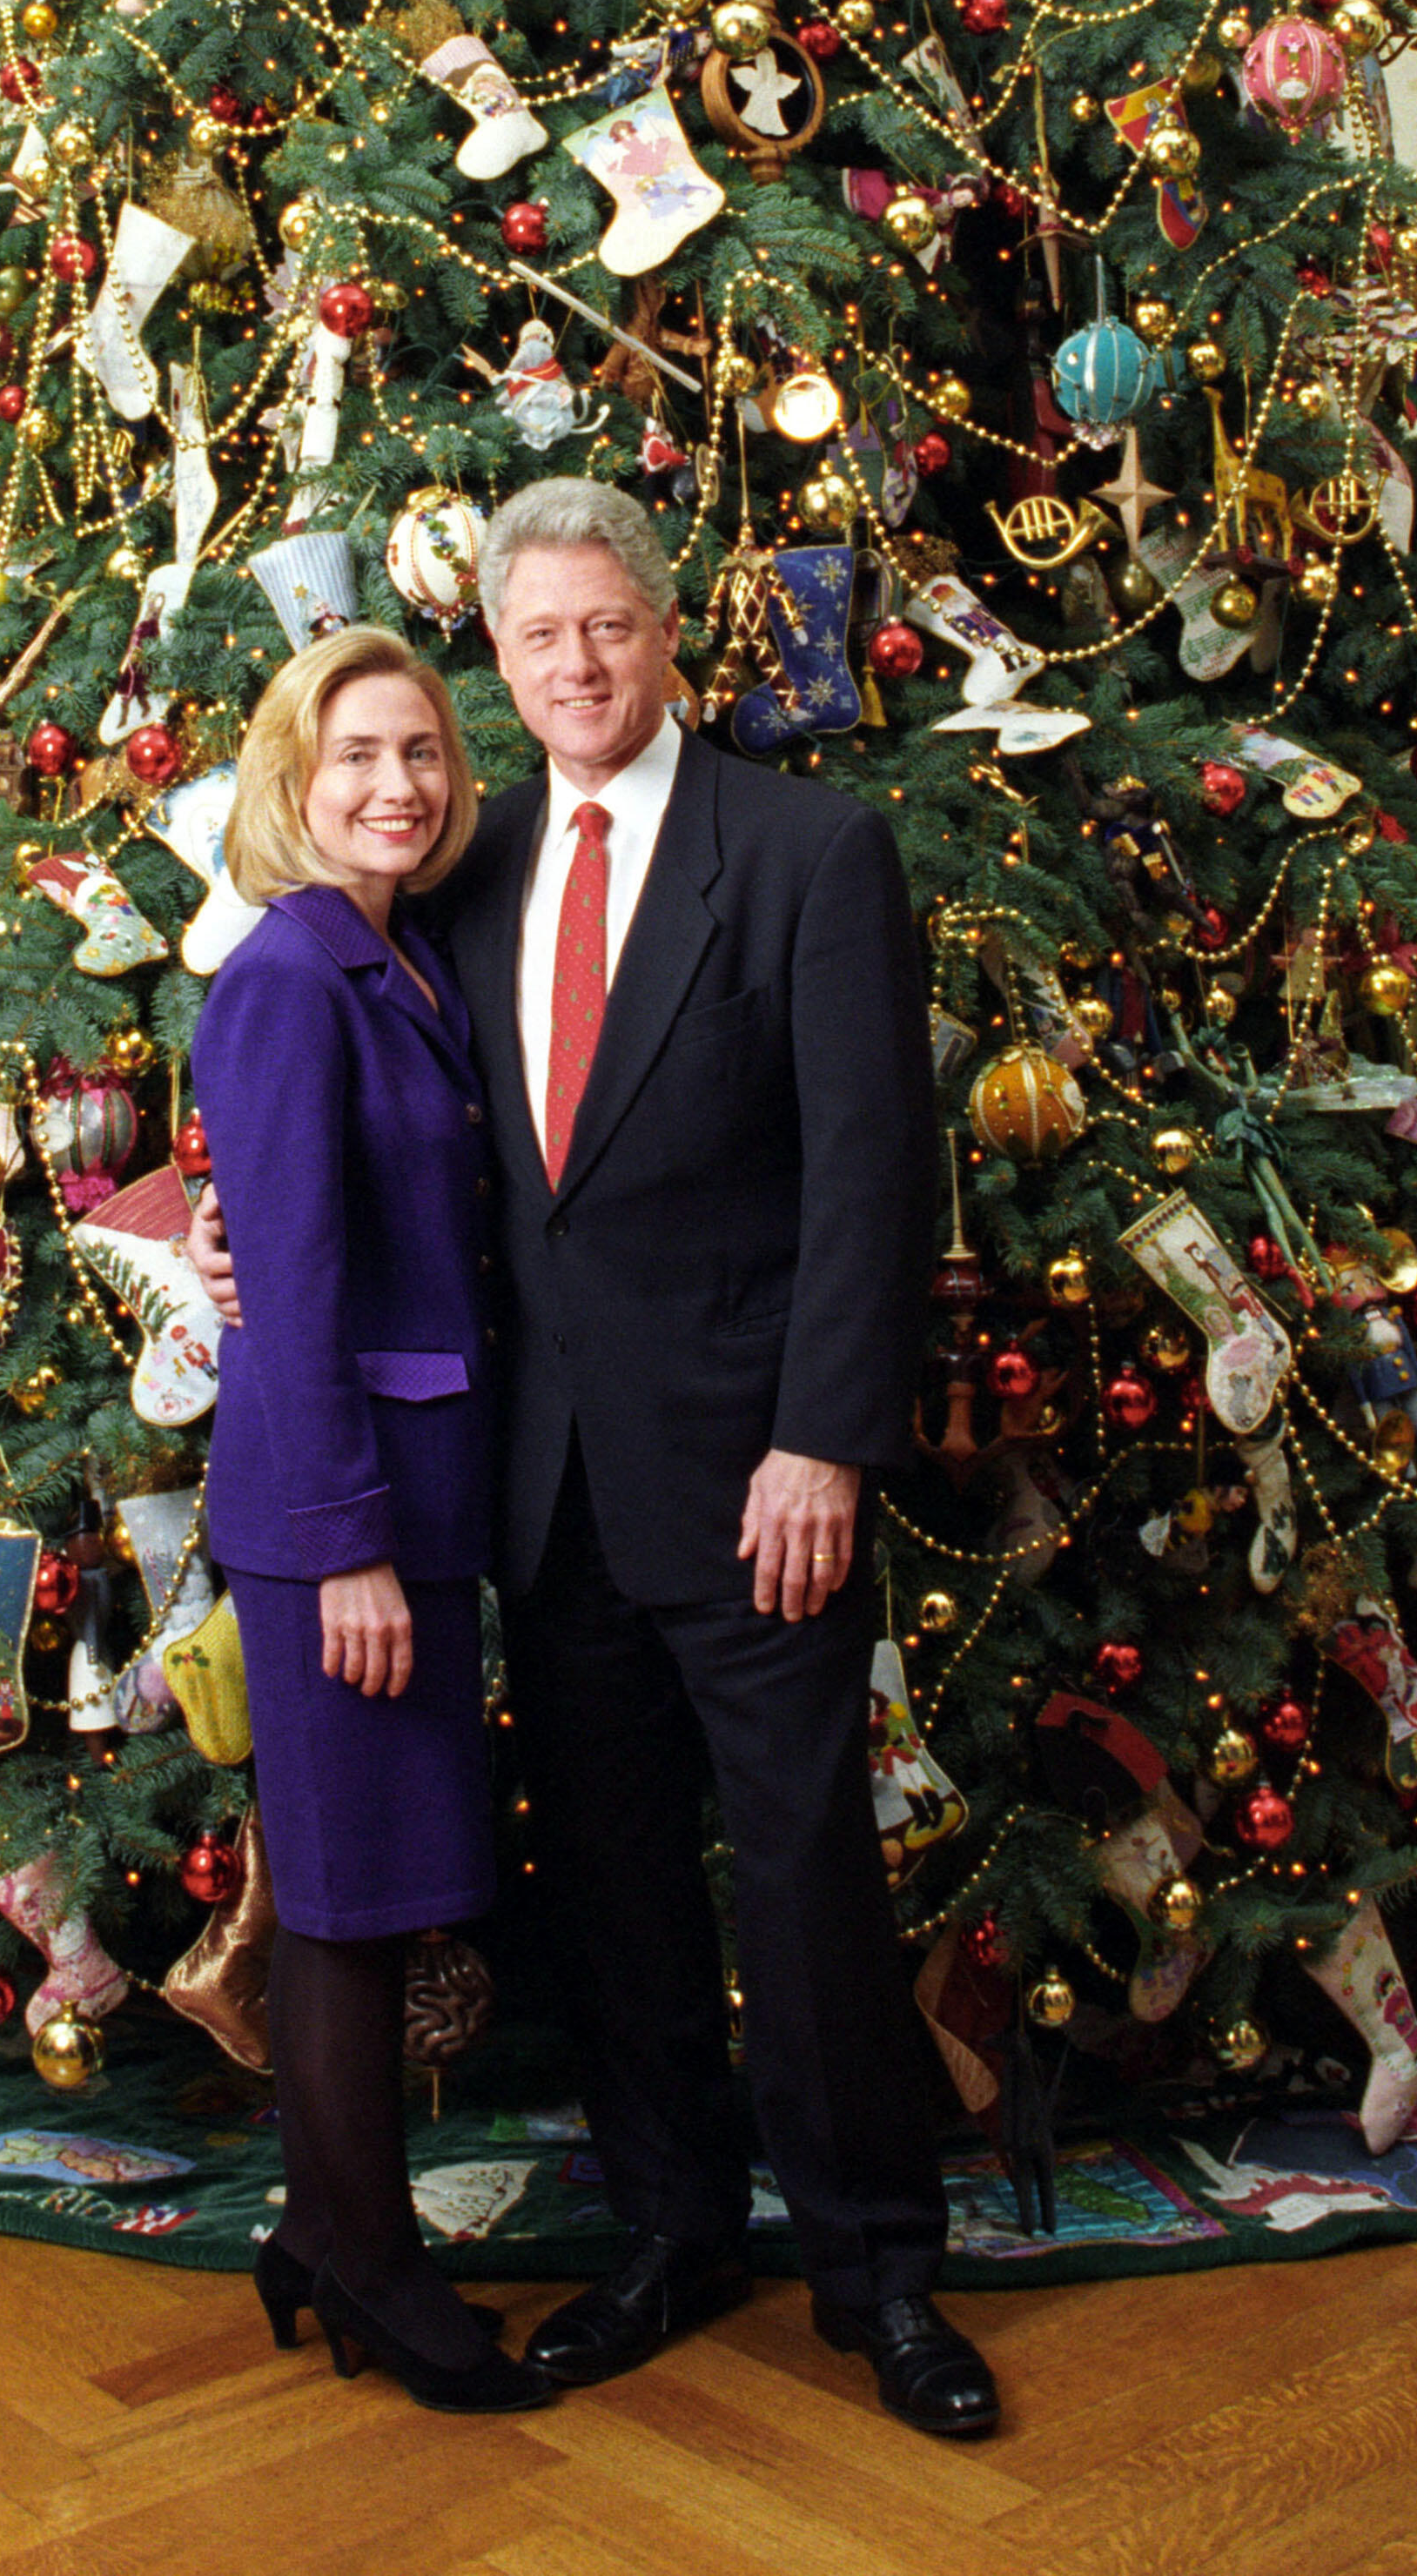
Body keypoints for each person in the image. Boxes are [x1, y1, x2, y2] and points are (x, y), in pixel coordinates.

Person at [197, 486, 996, 2438]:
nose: (574, 665)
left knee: (804, 1880)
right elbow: (366, 1160)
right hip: (533, 1498)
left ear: (664, 636)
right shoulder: (448, 885)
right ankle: (669, 2233)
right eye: (536, 637)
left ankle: (875, 2268)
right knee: (620, 1891)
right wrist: (213, 1227)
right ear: (502, 658)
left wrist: (823, 1440)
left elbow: (870, 1186)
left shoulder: (808, 852)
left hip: (753, 1487)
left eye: (606, 629)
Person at [188, 624, 550, 2415]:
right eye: (355, 758)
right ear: (291, 781)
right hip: (336, 1517)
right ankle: (360, 2252)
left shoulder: (400, 966)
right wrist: (341, 1545)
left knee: (376, 1888)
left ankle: (324, 2229)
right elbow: (301, 1283)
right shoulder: (284, 977)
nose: (393, 785)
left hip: (422, 1502)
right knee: (340, 1901)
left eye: (418, 753)